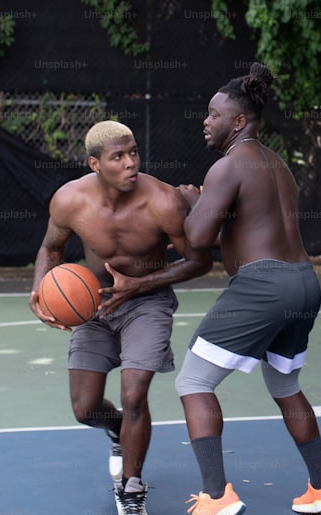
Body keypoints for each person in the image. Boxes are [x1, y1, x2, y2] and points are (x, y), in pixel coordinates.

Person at [175, 63, 321, 515]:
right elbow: (253, 222)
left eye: (214, 114)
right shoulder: (278, 164)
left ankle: (216, 496)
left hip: (263, 285)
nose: (205, 121)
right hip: (305, 283)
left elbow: (197, 239)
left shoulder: (227, 166)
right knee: (285, 385)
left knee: (193, 380)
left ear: (239, 121)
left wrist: (194, 202)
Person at [29, 120, 212, 515]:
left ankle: (131, 488)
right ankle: (115, 429)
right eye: (118, 157)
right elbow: (50, 248)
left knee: (134, 394)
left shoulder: (162, 202)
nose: (131, 163)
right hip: (95, 304)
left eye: (134, 153)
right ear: (95, 164)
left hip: (148, 303)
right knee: (84, 408)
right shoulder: (69, 200)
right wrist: (40, 288)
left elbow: (200, 261)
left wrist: (139, 286)